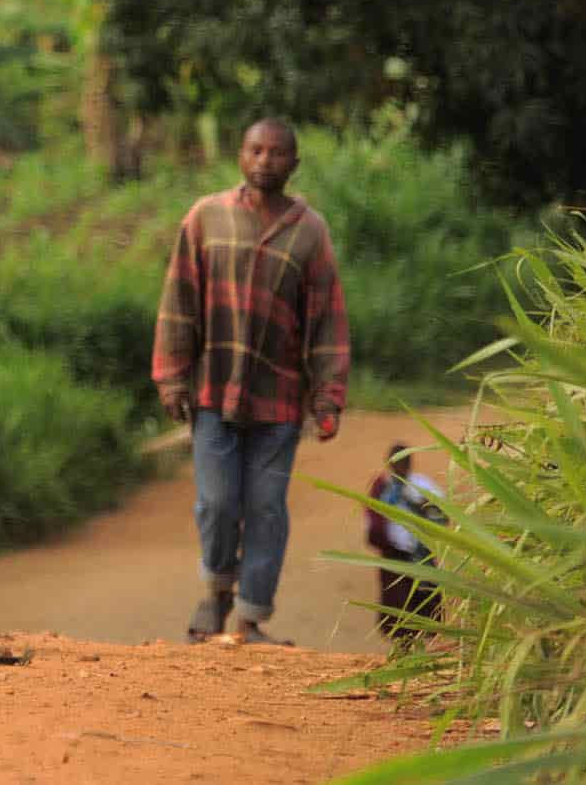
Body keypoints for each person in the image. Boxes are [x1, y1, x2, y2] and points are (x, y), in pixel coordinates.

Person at [151, 116, 352, 648]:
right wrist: (172, 378)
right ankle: (216, 589)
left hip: (279, 397)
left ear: (294, 162)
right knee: (217, 503)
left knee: (266, 505)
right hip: (213, 391)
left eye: (277, 153)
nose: (265, 161)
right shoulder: (206, 218)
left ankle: (250, 616)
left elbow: (327, 320)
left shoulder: (310, 231)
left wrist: (328, 395)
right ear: (241, 156)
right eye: (255, 151)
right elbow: (179, 302)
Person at [362, 441, 448, 641]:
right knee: (397, 609)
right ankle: (402, 652)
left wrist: (417, 504)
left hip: (421, 555)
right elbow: (371, 519)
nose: (398, 467)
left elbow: (442, 516)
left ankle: (422, 652)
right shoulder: (383, 489)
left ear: (410, 463)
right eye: (394, 463)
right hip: (394, 557)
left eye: (403, 462)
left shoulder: (423, 485)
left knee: (424, 607)